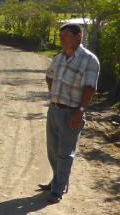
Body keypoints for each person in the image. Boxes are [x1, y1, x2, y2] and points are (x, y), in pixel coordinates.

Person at [42, 23, 100, 203]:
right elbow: (49, 75)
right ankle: (56, 181)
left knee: (65, 152)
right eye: (61, 36)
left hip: (72, 112)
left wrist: (80, 112)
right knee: (53, 149)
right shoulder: (59, 57)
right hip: (54, 109)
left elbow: (90, 88)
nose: (62, 39)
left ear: (78, 37)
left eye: (66, 35)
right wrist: (53, 95)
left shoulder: (89, 60)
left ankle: (58, 189)